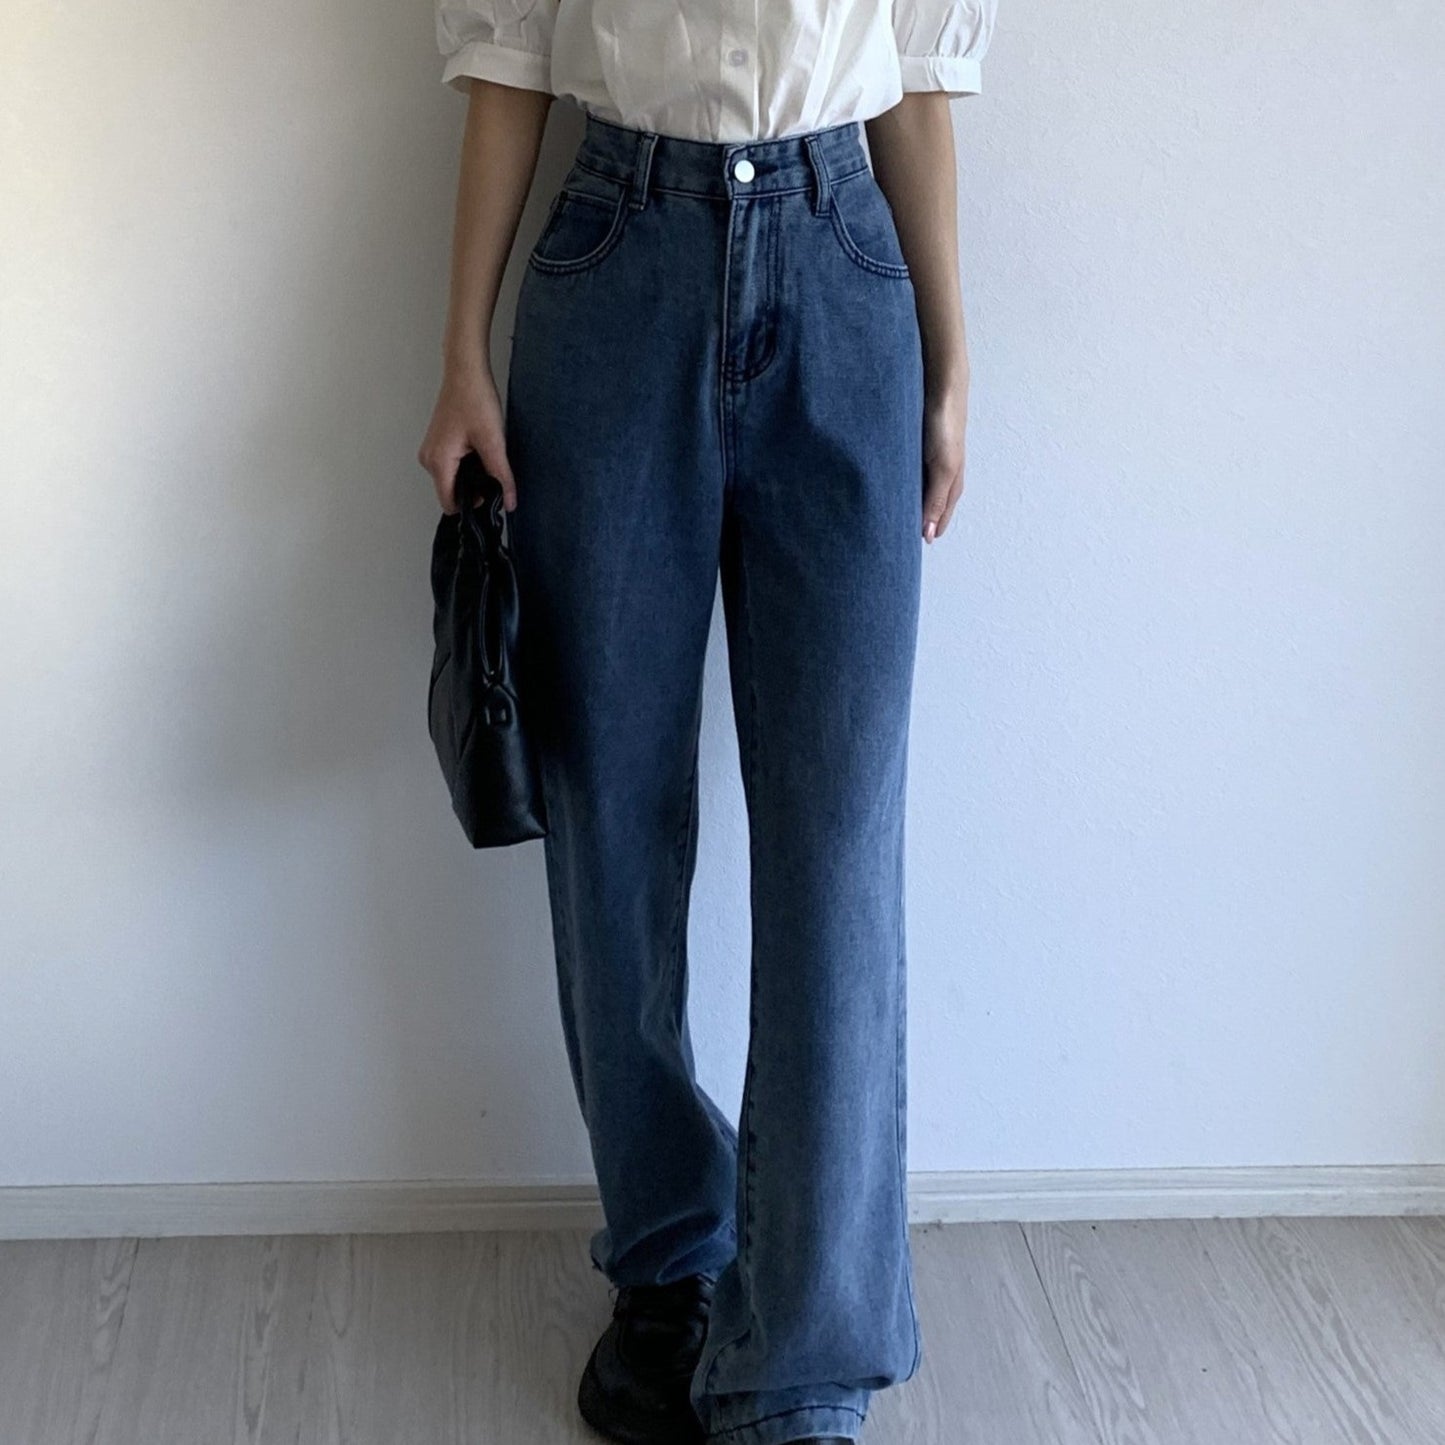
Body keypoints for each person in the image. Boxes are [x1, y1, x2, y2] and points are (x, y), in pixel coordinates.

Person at [417, 4, 998, 1443]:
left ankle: (804, 1356)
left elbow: (917, 84)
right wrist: (462, 354)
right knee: (608, 807)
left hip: (843, 260)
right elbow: (508, 65)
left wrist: (948, 359)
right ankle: (670, 1255)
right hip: (616, 257)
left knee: (837, 839)